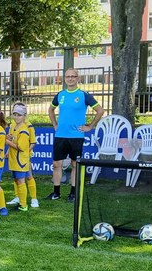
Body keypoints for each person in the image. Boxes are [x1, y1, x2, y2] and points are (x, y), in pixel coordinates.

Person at [48, 68, 104, 202]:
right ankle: (56, 192)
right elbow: (51, 109)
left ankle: (73, 193)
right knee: (56, 164)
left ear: (78, 78)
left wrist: (90, 126)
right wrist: (55, 125)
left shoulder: (84, 95)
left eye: (73, 76)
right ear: (64, 78)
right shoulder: (60, 94)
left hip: (76, 136)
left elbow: (100, 110)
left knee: (75, 164)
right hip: (61, 135)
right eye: (68, 76)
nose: (70, 79)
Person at [7, 102, 40, 209]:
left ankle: (34, 199)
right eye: (14, 113)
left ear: (25, 114)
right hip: (14, 155)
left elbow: (32, 142)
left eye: (19, 114)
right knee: (17, 178)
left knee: (28, 176)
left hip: (23, 157)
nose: (16, 116)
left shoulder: (28, 126)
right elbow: (12, 139)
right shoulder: (13, 125)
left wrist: (25, 153)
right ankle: (18, 197)